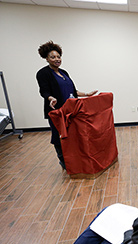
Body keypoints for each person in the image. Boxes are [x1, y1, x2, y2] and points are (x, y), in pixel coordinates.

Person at [36, 41, 97, 170]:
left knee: (73, 136)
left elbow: (73, 92)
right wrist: (50, 98)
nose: (57, 59)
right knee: (59, 137)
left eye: (58, 56)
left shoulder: (64, 73)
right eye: (53, 57)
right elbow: (44, 90)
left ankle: (75, 160)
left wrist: (87, 94)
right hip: (57, 112)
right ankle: (64, 162)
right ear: (46, 59)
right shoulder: (43, 73)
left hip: (71, 111)